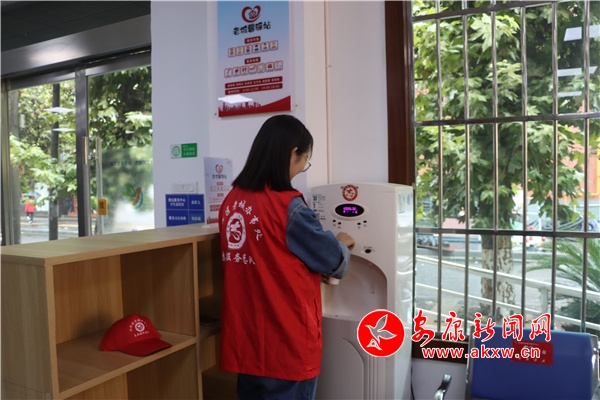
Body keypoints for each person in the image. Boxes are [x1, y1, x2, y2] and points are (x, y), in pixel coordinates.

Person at [218, 115, 355, 400]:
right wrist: (341, 242)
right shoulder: (288, 207)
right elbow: (333, 261)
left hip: (246, 342)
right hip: (285, 342)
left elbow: (270, 255)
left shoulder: (232, 201)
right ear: (293, 153)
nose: (303, 166)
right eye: (305, 159)